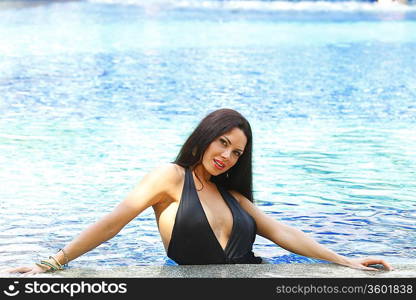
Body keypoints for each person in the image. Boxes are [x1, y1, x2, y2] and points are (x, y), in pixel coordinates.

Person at [5, 108, 392, 275]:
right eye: (222, 143)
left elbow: (284, 233)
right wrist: (52, 263)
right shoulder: (169, 178)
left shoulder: (235, 199)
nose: (227, 155)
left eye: (236, 152)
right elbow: (113, 223)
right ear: (205, 137)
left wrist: (347, 262)